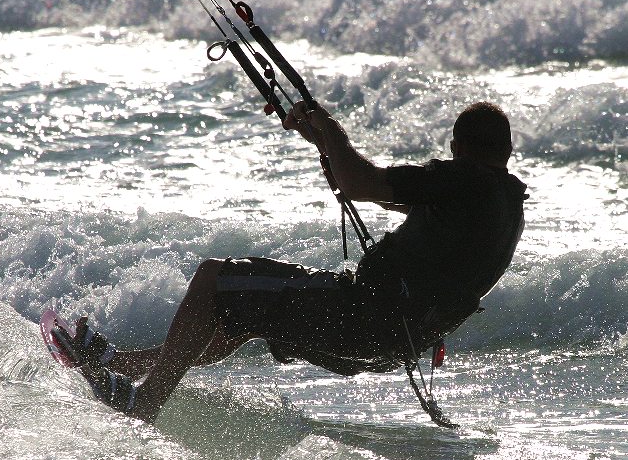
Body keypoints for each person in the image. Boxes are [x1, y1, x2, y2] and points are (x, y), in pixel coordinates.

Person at [53, 100, 527, 423]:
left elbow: (361, 183)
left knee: (214, 279)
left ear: (457, 148)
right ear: (505, 152)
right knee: (243, 316)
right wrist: (324, 144)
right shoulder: (502, 205)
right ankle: (121, 364)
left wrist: (332, 131)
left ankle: (144, 401)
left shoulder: (462, 182)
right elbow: (383, 193)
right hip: (395, 343)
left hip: (361, 318)